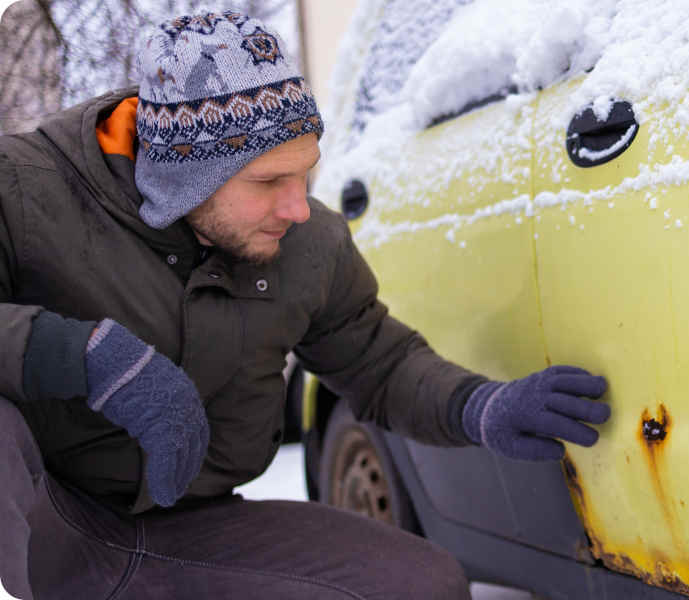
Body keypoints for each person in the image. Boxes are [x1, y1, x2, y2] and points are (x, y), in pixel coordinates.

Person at [0, 11, 610, 599]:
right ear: (183, 177)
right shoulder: (26, 193)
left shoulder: (307, 242)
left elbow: (380, 362)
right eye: (268, 182)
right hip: (46, 521)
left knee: (421, 584)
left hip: (190, 528)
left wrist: (479, 405)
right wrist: (88, 358)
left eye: (305, 174)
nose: (297, 207)